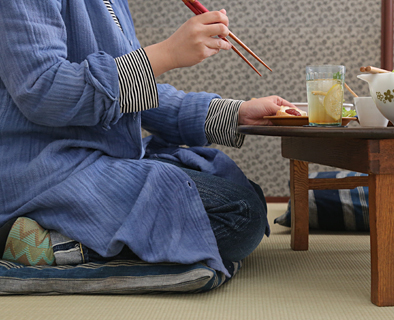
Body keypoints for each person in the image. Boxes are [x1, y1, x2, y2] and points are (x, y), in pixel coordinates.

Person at [0, 0, 296, 277]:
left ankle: (68, 233)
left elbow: (134, 92)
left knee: (245, 196)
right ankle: (55, 243)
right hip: (46, 167)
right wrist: (166, 54)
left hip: (100, 157)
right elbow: (44, 91)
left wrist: (236, 113)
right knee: (240, 216)